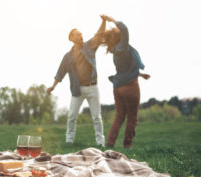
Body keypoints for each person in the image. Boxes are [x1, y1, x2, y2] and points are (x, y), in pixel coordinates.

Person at [47, 15, 107, 146]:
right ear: (72, 39)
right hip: (77, 90)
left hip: (92, 87)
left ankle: (100, 142)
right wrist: (52, 87)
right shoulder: (67, 57)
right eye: (78, 35)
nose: (81, 36)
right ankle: (69, 140)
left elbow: (99, 35)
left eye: (81, 34)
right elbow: (60, 73)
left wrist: (103, 21)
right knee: (72, 117)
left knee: (97, 117)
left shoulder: (89, 46)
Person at [101, 15, 150, 148]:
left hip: (118, 87)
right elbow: (125, 29)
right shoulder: (122, 47)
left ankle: (110, 143)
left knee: (119, 116)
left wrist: (140, 75)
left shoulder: (116, 51)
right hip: (129, 87)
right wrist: (110, 19)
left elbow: (125, 70)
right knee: (132, 118)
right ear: (119, 37)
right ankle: (128, 145)